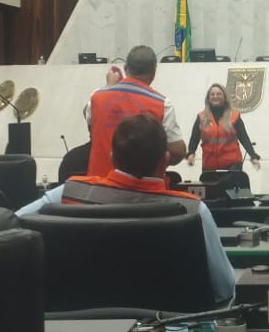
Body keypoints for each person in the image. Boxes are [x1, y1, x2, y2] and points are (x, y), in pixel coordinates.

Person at [16, 113, 235, 304]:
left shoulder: (68, 193)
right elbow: (224, 289)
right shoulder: (194, 211)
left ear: (112, 158)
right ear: (165, 160)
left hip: (74, 330)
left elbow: (12, 223)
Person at [84, 44, 186, 175]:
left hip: (100, 183)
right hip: (143, 185)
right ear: (154, 71)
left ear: (126, 68)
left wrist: (108, 87)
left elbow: (88, 115)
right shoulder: (162, 104)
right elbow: (177, 151)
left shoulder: (97, 97)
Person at [187, 83, 260, 172]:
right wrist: (191, 153)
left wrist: (253, 156)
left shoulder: (234, 116)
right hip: (209, 166)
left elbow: (244, 138)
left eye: (218, 94)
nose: (215, 96)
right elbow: (194, 138)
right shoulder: (201, 117)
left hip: (232, 165)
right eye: (212, 94)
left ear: (225, 97)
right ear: (208, 98)